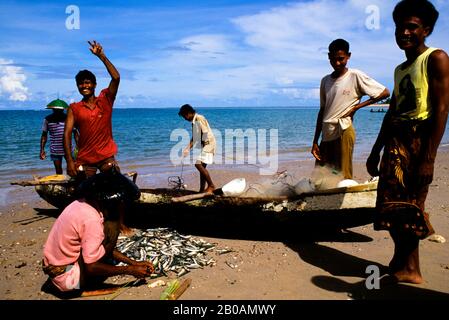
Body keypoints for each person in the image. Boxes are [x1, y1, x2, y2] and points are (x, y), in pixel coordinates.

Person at [366, 0, 449, 284]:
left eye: (412, 27)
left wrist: (429, 157)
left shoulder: (436, 58)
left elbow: (440, 109)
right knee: (391, 206)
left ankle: (411, 269)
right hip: (396, 143)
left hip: (418, 141)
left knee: (412, 206)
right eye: (400, 27)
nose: (404, 32)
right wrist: (376, 150)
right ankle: (401, 260)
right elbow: (392, 113)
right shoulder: (400, 69)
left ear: (426, 30)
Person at [42, 170, 154, 294]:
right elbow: (92, 267)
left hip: (56, 271)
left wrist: (133, 263)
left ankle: (74, 279)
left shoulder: (79, 204)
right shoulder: (92, 220)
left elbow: (99, 246)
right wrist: (130, 270)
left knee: (104, 235)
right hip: (70, 282)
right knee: (112, 226)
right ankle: (81, 287)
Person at [312, 39, 390, 179]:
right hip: (326, 133)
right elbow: (322, 110)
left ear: (348, 56)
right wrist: (315, 142)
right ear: (329, 57)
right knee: (320, 175)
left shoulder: (355, 75)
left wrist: (357, 107)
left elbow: (384, 92)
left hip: (344, 129)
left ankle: (346, 196)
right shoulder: (325, 80)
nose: (337, 63)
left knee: (343, 174)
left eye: (341, 59)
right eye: (333, 59)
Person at [64, 40, 120, 180]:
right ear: (78, 86)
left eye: (87, 82)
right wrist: (70, 161)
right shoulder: (74, 108)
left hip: (106, 156)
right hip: (85, 159)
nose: (84, 86)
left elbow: (116, 77)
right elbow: (66, 135)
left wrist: (102, 56)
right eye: (81, 83)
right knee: (83, 194)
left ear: (94, 85)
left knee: (115, 184)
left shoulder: (105, 100)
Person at [179, 104, 216, 193]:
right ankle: (201, 190)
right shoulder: (194, 121)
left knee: (198, 164)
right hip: (206, 145)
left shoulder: (199, 118)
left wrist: (202, 144)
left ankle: (211, 186)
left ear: (188, 113)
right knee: (202, 168)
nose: (185, 118)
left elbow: (205, 132)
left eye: (184, 116)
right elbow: (195, 137)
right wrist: (187, 148)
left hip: (209, 144)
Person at [40, 99, 70, 174]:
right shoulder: (47, 119)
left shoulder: (68, 118)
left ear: (63, 109)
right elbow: (44, 135)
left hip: (68, 149)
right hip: (55, 150)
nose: (57, 111)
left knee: (71, 168)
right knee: (58, 171)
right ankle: (61, 185)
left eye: (59, 110)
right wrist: (42, 150)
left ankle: (74, 184)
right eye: (56, 109)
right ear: (52, 109)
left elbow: (76, 133)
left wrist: (79, 148)